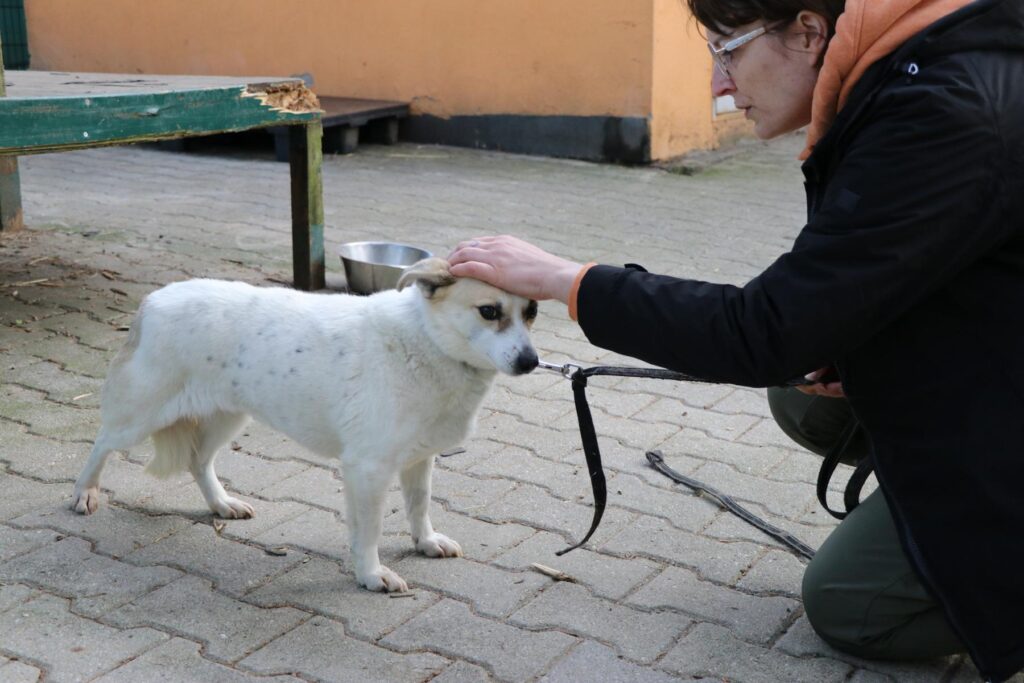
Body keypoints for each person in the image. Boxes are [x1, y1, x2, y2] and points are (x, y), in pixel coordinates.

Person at [447, 0, 1024, 680]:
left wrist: (567, 281)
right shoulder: (914, 73)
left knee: (849, 603)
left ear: (808, 31)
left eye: (728, 51)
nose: (718, 85)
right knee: (805, 397)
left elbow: (765, 330)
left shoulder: (941, 113)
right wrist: (854, 344)